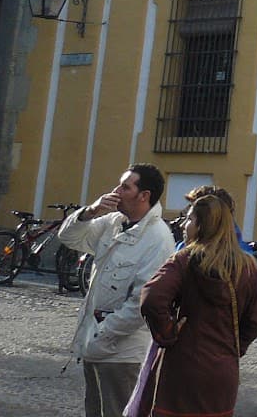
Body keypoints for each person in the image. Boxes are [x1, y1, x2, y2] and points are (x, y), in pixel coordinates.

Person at [57, 163, 176, 417]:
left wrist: (102, 335)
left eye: (125, 186)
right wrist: (90, 211)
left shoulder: (158, 239)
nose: (116, 190)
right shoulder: (113, 221)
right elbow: (68, 238)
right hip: (95, 344)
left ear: (144, 196)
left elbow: (140, 303)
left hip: (122, 354)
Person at [138, 191, 257, 417]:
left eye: (190, 219)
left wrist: (167, 332)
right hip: (222, 372)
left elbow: (152, 297)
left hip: (182, 367)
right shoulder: (248, 267)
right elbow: (253, 322)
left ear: (202, 225)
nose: (185, 225)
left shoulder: (184, 260)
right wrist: (234, 347)